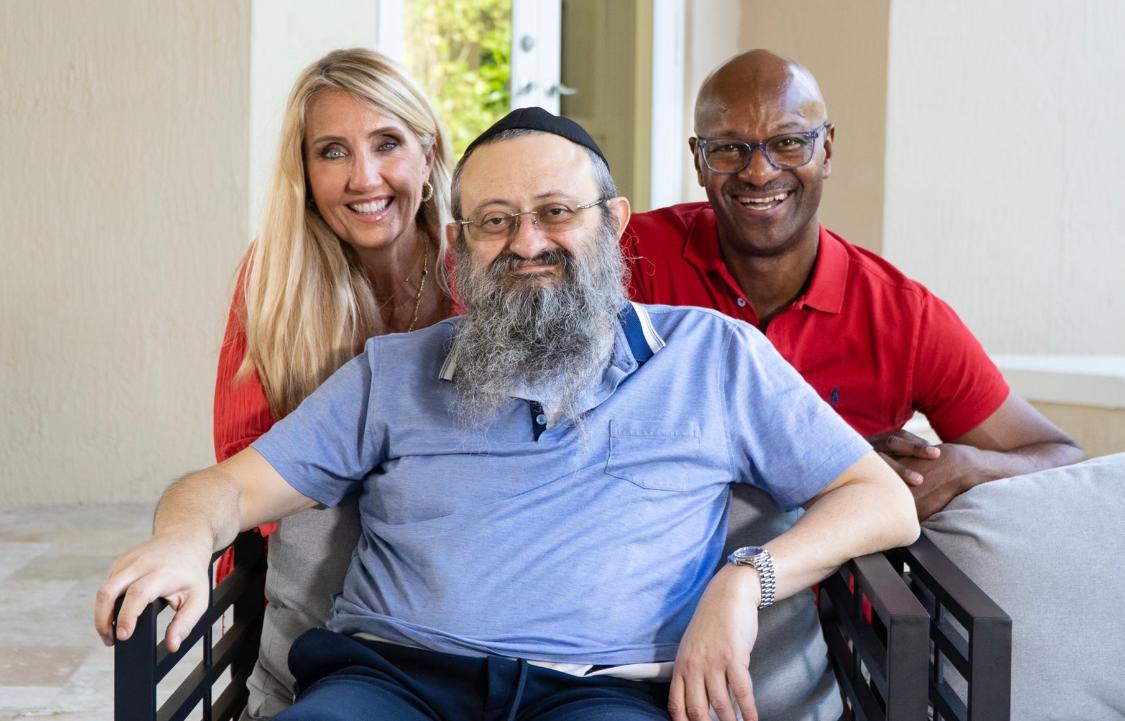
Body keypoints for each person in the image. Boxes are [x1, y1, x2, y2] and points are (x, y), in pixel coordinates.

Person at [96, 108, 920, 721]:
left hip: (603, 694)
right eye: (495, 221)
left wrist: (745, 581)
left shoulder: (715, 355)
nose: (527, 242)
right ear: (462, 246)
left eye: (557, 211)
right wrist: (179, 538)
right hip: (388, 682)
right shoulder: (395, 371)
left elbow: (881, 499)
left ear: (615, 223)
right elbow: (223, 489)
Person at [625, 49, 1083, 520]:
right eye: (728, 148)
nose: (759, 172)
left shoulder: (903, 316)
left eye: (788, 143)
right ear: (699, 162)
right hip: (662, 582)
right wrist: (830, 462)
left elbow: (1058, 455)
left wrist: (966, 466)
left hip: (841, 588)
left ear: (826, 150)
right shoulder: (630, 258)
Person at [211, 48, 454, 717]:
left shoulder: (479, 269)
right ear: (305, 171)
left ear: (427, 154)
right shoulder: (273, 278)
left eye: (386, 143)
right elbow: (242, 457)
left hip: (454, 576)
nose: (364, 177)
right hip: (312, 579)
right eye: (332, 151)